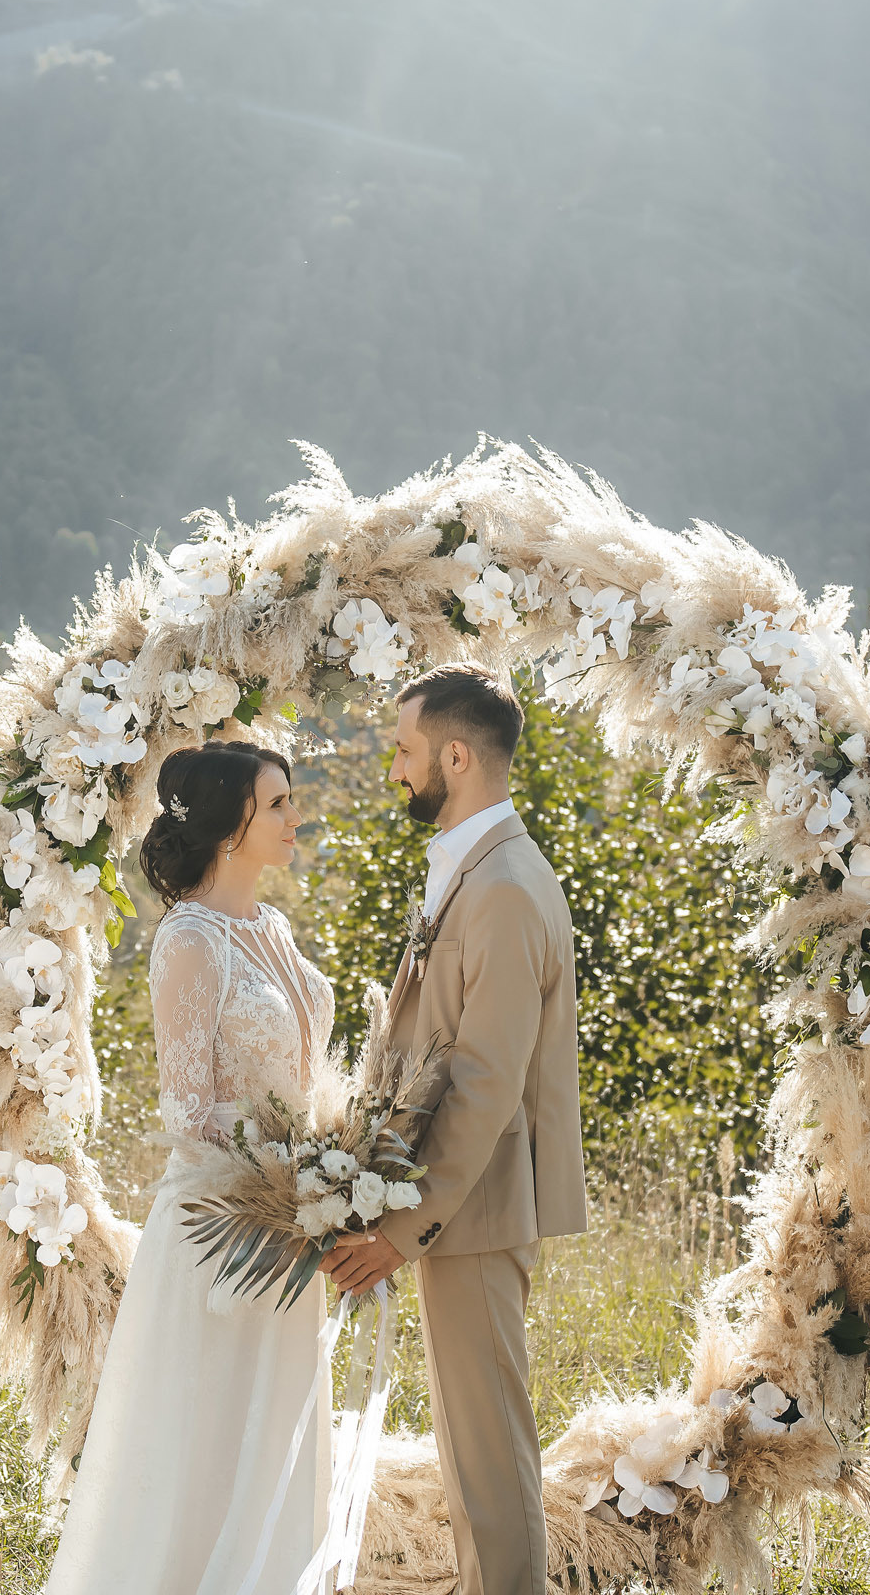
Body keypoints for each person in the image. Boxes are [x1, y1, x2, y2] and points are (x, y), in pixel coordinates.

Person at [319, 662, 588, 1595]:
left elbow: (485, 1083)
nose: (393, 767)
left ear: (457, 756)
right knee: (470, 1447)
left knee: (488, 1452)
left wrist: (403, 1227)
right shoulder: (472, 867)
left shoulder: (505, 886)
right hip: (456, 1204)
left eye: (404, 749)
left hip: (473, 1205)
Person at [44, 740, 336, 1594]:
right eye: (277, 803)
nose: (295, 817)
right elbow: (187, 1111)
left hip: (292, 1219)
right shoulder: (188, 940)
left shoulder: (272, 928)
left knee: (274, 1424)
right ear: (228, 823)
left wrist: (331, 1162)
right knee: (209, 1429)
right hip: (224, 1224)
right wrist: (291, 1171)